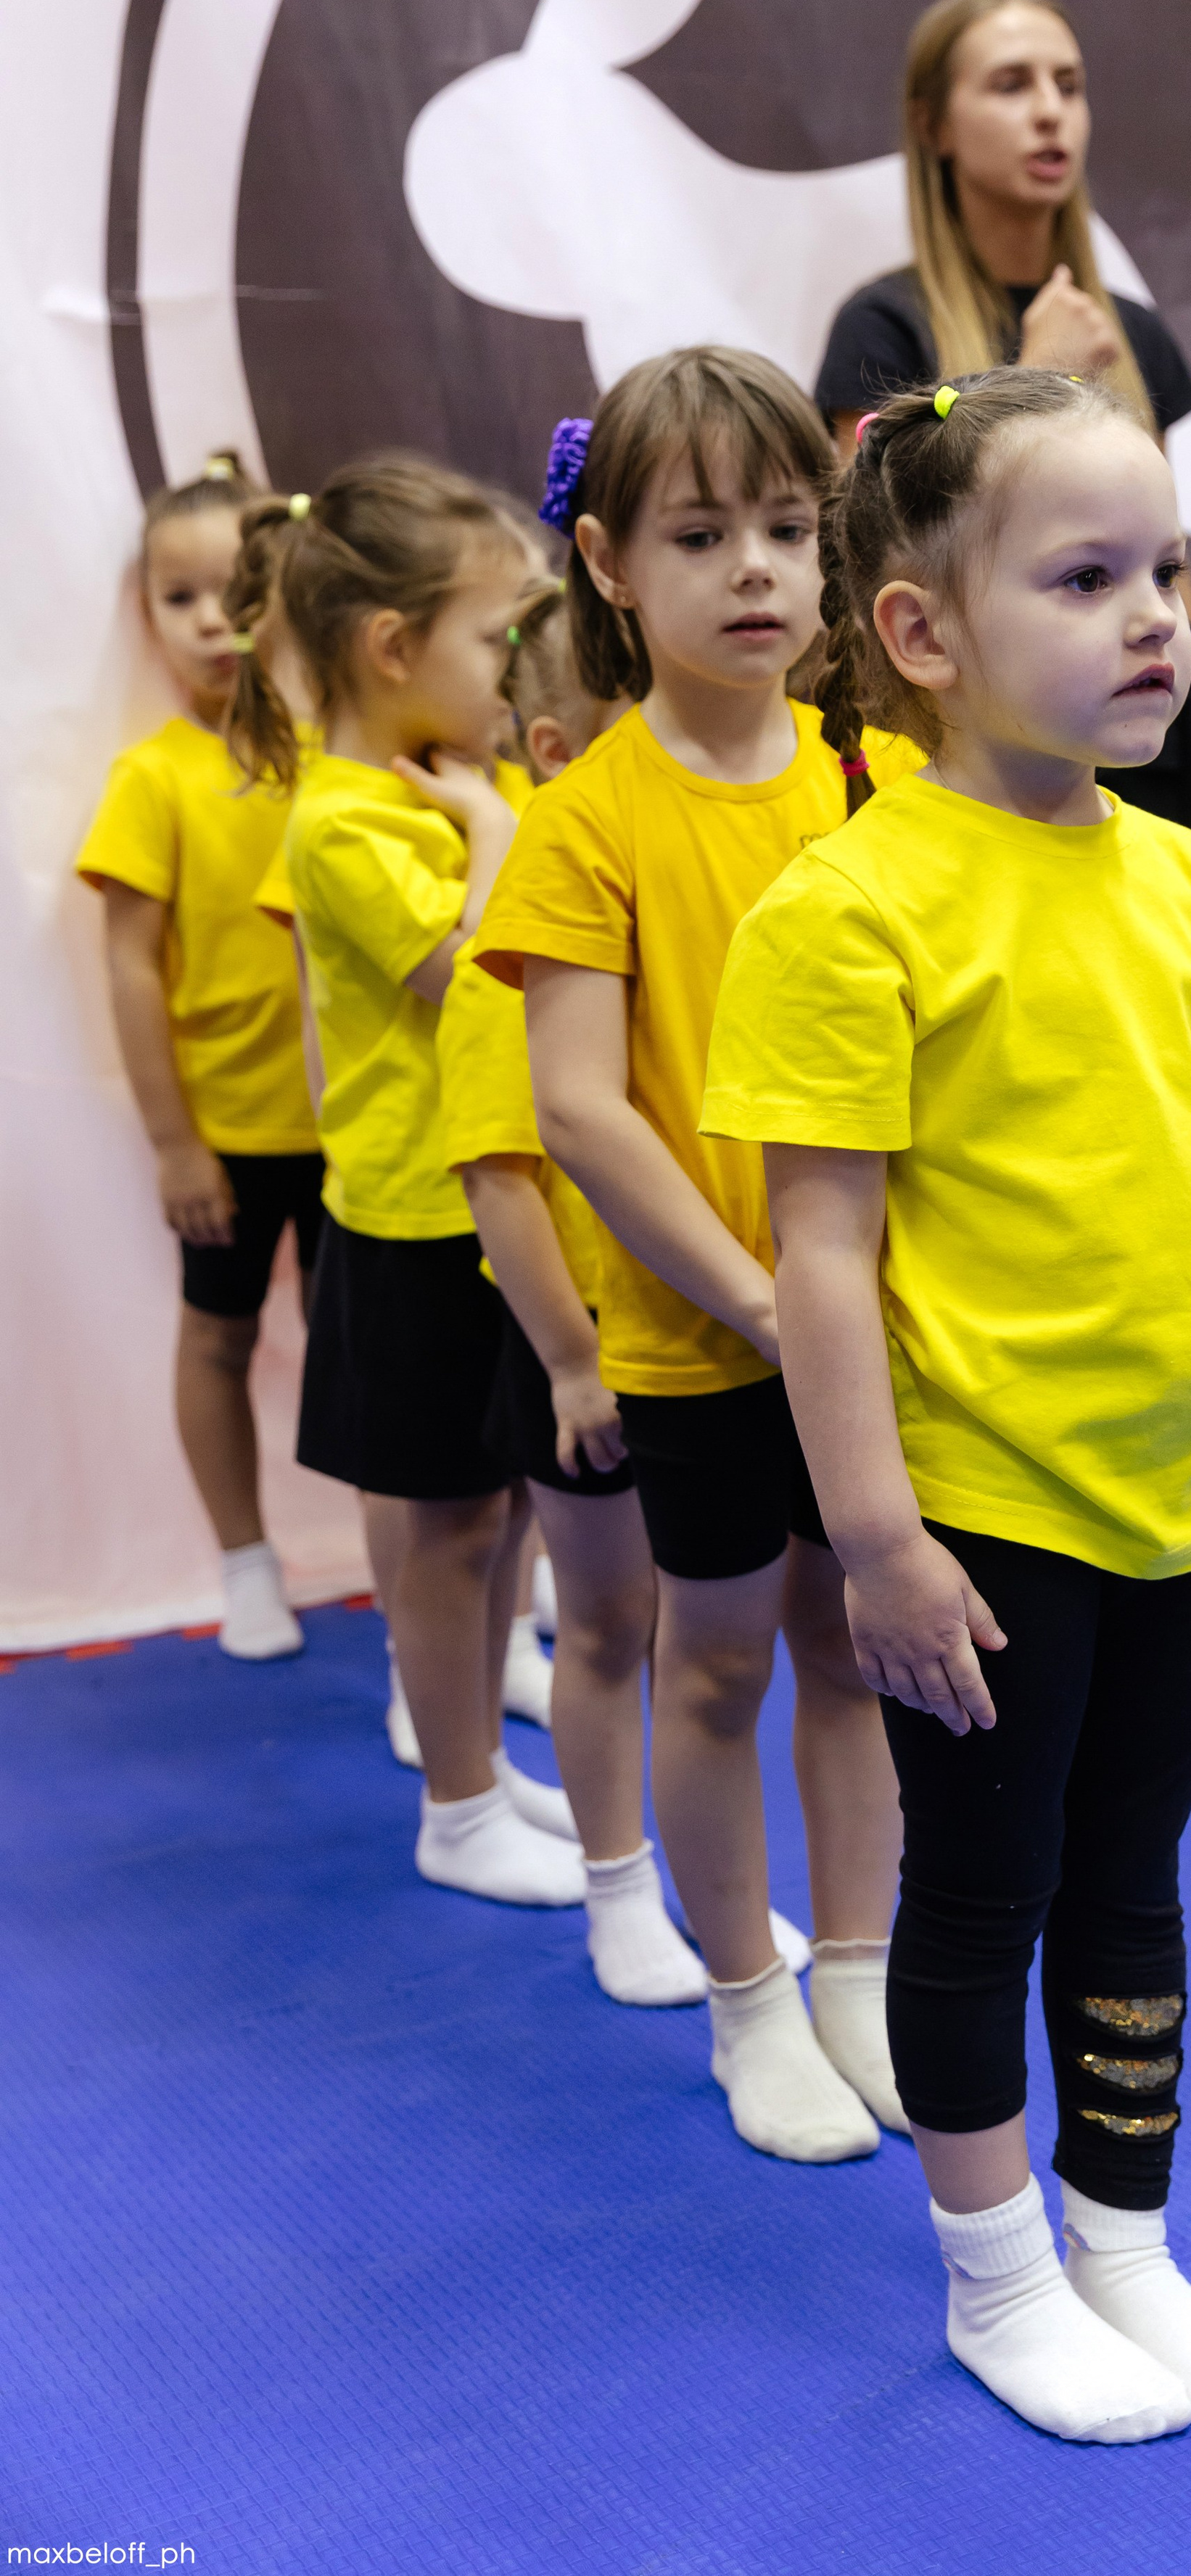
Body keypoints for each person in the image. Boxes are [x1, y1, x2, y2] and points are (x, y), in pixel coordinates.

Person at [701, 366, 1191, 2443]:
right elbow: (819, 1257)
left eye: (1169, 569)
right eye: (1089, 576)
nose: (1157, 614)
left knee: (1136, 1870)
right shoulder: (854, 907)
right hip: (985, 1513)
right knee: (988, 1894)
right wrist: (875, 1538)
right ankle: (996, 2276)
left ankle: (1124, 2235)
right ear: (923, 637)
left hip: (1181, 1492)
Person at [473, 349, 918, 2163]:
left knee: (856, 1644)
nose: (751, 569)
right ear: (605, 562)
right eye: (698, 532)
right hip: (701, 1328)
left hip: (871, 1314)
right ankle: (747, 1997)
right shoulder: (587, 819)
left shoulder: (872, 776)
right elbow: (576, 1105)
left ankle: (858, 1974)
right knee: (715, 1657)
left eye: (785, 529)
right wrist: (749, 1296)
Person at [228, 458, 584, 1908]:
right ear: (392, 648)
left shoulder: (455, 785)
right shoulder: (346, 820)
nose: (516, 667)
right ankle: (453, 1803)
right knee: (439, 1533)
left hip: (498, 1208)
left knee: (496, 1508)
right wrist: (503, 836)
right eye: (499, 637)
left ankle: (480, 1770)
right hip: (411, 1221)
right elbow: (474, 977)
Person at [439, 586, 705, 1998]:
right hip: (586, 1346)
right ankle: (619, 1892)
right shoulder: (521, 957)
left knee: (698, 1636)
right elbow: (503, 1184)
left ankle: (708, 1889)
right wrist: (568, 1363)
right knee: (608, 1624)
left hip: (697, 1336)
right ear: (554, 754)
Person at [76, 451, 318, 1662]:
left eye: (237, 588)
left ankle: (437, 1552)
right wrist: (175, 1140)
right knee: (217, 1336)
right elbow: (129, 965)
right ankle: (244, 1561)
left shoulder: (337, 753)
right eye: (180, 599)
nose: (214, 619)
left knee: (382, 1354)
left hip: (362, 1130)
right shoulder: (155, 778)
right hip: (229, 1128)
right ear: (148, 616)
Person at [814, 0, 1191, 455]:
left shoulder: (1132, 334)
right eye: (1012, 86)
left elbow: (1154, 529)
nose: (1050, 111)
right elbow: (874, 530)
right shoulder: (884, 330)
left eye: (1068, 86)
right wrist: (1042, 374)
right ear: (934, 127)